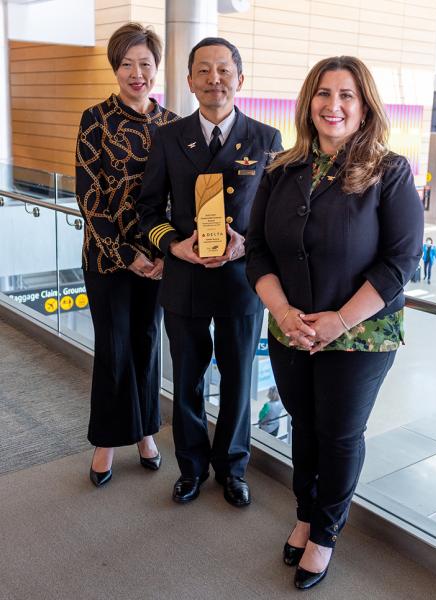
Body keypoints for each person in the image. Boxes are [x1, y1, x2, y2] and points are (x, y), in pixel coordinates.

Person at [245, 56, 423, 590]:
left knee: (340, 434)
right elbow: (257, 254)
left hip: (361, 336)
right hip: (291, 328)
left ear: (364, 105)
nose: (334, 105)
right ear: (308, 103)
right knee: (304, 423)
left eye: (346, 95)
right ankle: (305, 512)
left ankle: (324, 532)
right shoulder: (280, 169)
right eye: (323, 94)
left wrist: (339, 322)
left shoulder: (389, 171)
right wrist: (282, 312)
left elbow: (399, 262)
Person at [137, 37, 282, 507]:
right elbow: (147, 209)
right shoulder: (169, 137)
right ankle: (192, 468)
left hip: (243, 280)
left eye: (223, 70)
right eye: (204, 70)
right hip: (186, 276)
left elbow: (275, 214)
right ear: (190, 81)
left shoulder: (267, 139)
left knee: (240, 378)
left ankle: (233, 468)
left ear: (240, 79)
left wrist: (248, 243)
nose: (214, 79)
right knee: (188, 381)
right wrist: (174, 245)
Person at [75, 23, 178, 487]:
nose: (137, 73)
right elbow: (88, 195)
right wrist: (124, 253)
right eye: (127, 64)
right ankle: (106, 440)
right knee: (113, 348)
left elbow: (182, 198)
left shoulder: (174, 125)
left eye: (145, 64)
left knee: (146, 344)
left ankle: (144, 434)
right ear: (115, 68)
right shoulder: (95, 119)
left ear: (156, 68)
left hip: (158, 257)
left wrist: (163, 251)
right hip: (106, 257)